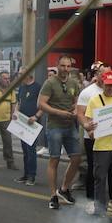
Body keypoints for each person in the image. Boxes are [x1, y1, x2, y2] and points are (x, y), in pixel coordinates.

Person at [78, 69, 112, 222]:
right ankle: (100, 211)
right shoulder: (95, 100)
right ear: (102, 84)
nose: (111, 88)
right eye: (108, 85)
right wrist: (89, 128)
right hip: (101, 146)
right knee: (100, 179)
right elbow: (87, 121)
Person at [38, 55, 83, 209]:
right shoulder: (49, 83)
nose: (65, 69)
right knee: (54, 160)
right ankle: (52, 196)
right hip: (55, 126)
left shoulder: (74, 83)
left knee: (77, 158)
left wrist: (76, 109)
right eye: (62, 66)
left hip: (70, 125)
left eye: (68, 66)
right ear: (57, 66)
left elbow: (77, 101)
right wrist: (58, 113)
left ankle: (64, 188)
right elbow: (41, 104)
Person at [77, 64, 106, 212]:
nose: (105, 77)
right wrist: (87, 126)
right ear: (97, 74)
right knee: (93, 168)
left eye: (108, 73)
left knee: (108, 170)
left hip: (109, 137)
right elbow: (80, 113)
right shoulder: (87, 92)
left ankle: (107, 201)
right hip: (92, 137)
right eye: (103, 73)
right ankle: (90, 200)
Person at [13, 72, 42, 185]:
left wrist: (36, 116)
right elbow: (19, 102)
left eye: (21, 74)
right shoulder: (22, 87)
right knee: (25, 150)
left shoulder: (38, 87)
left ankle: (31, 176)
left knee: (31, 150)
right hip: (22, 122)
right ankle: (25, 174)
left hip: (32, 123)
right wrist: (15, 112)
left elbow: (43, 105)